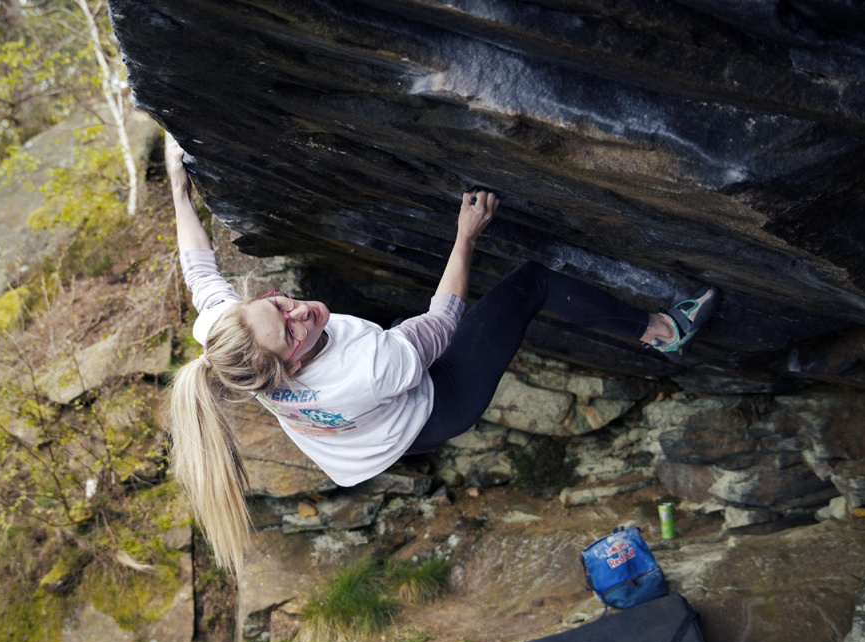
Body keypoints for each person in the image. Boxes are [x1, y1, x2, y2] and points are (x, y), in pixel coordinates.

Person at [164, 134, 718, 573]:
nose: (297, 311)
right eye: (289, 332)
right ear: (288, 366)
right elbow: (441, 323)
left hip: (366, 435)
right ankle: (664, 331)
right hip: (437, 403)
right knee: (532, 283)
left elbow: (199, 269)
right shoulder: (367, 369)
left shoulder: (229, 343)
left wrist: (176, 184)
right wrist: (465, 235)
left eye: (277, 303)